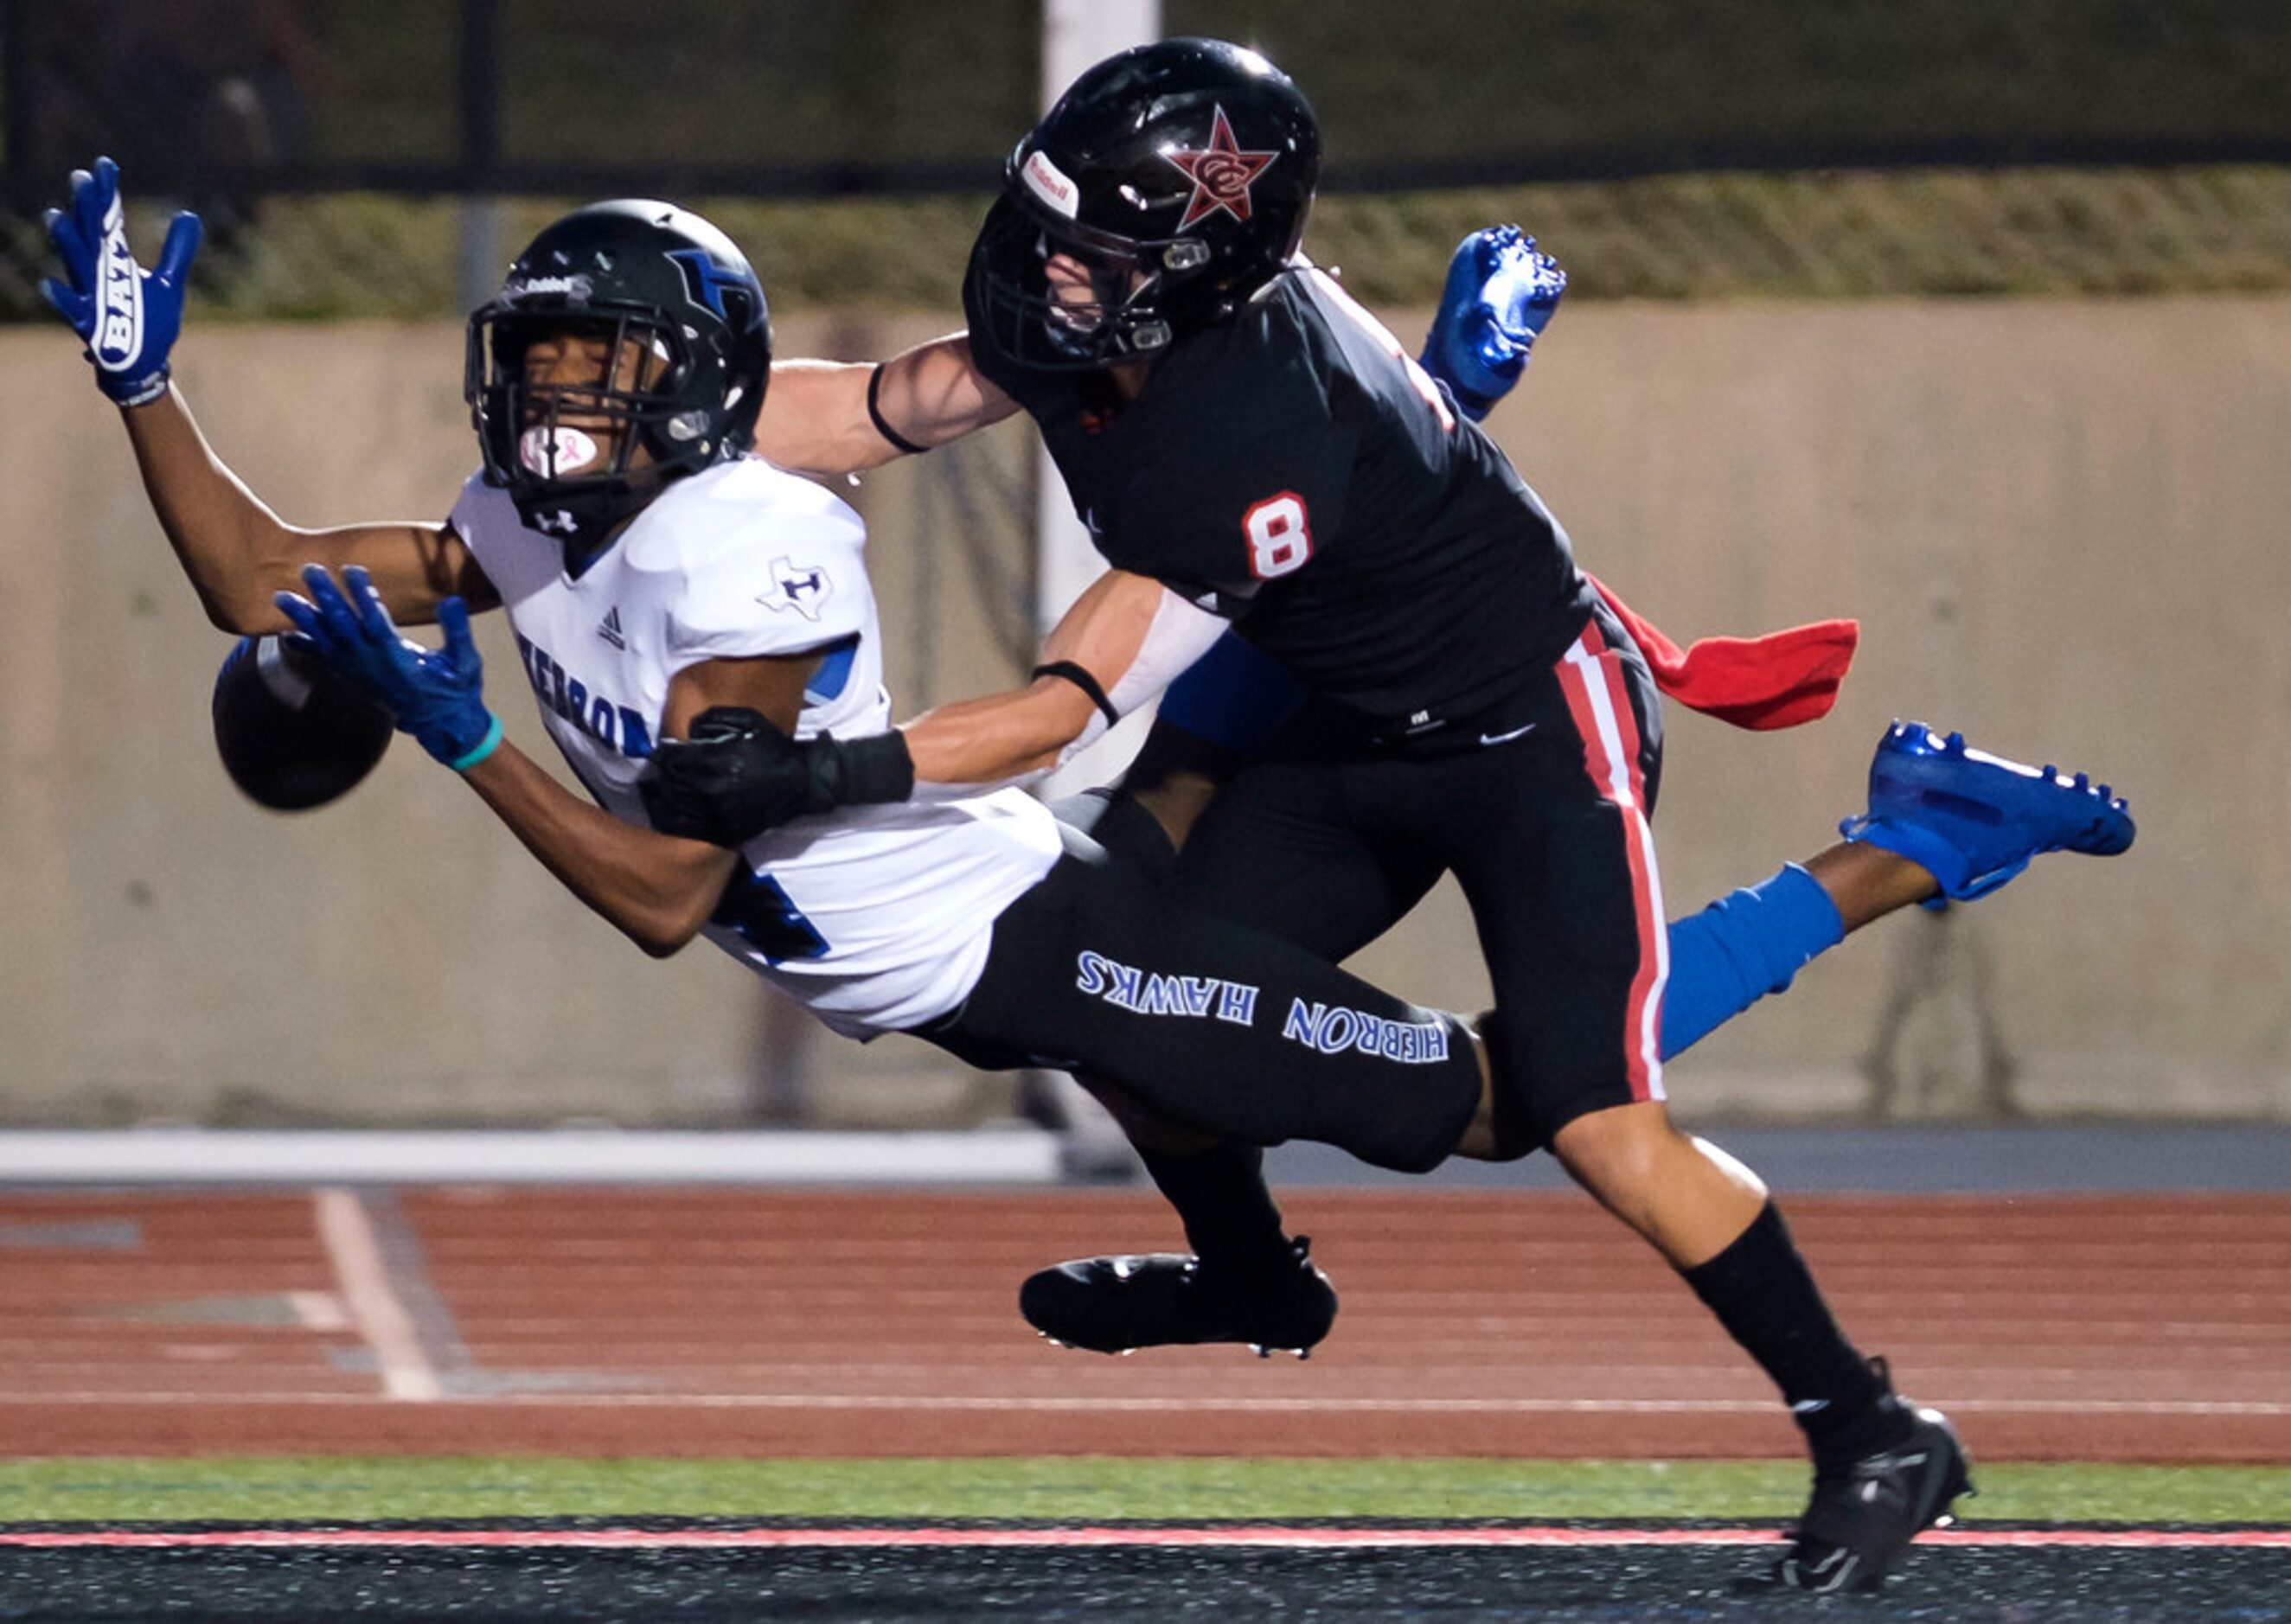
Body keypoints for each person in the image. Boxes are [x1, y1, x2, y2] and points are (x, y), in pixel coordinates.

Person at [45, 155, 2129, 1598]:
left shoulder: (725, 552)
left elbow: (669, 894)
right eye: (547, 370)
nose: (556, 415)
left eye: (601, 377)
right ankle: (1251, 1276)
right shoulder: (543, 528)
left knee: (1515, 1105)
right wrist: (142, 386)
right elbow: (263, 570)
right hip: (1034, 890)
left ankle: (1884, 961)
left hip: (1035, 929)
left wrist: (463, 735)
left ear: (688, 390)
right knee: (1181, 1013)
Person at [646, 40, 2135, 1594]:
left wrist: (818, 774)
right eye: (1050, 227)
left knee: (1583, 1113)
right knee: (1133, 990)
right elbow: (887, 403)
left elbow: (1057, 709)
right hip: (1339, 709)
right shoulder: (1145, 322)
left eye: (1096, 252)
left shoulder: (1239, 431)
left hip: (1526, 733)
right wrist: (663, 419)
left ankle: (1872, 1418)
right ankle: (1250, 1277)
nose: (1050, 274)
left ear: (1199, 271)